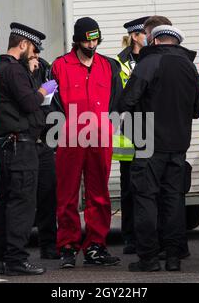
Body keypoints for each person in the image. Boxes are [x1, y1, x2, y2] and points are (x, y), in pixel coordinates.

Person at [119, 24, 199, 272]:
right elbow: (197, 110)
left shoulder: (149, 63)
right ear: (175, 43)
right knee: (174, 201)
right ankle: (174, 258)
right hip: (178, 146)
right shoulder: (189, 66)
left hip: (149, 145)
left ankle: (149, 259)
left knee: (146, 199)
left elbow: (127, 99)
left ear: (154, 41)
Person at [51, 17, 122, 268]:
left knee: (99, 192)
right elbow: (50, 101)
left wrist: (109, 126)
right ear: (77, 40)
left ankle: (95, 246)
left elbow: (117, 101)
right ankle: (68, 247)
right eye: (87, 39)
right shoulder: (59, 66)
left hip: (100, 137)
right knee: (67, 193)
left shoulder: (109, 66)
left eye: (95, 39)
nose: (92, 44)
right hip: (70, 137)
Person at [0, 23, 58, 276]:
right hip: (20, 146)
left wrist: (28, 76)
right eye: (33, 48)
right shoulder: (14, 72)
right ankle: (16, 259)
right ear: (23, 45)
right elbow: (30, 103)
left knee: (5, 202)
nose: (35, 54)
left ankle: (2, 258)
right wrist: (43, 89)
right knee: (22, 204)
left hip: (4, 144)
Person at [115, 16, 149, 255]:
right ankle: (130, 236)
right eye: (145, 33)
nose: (149, 36)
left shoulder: (153, 57)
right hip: (128, 130)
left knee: (149, 185)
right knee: (129, 187)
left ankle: (148, 233)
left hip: (150, 128)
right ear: (135, 36)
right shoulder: (119, 63)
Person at [25, 55, 59, 260]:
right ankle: (17, 249)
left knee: (48, 195)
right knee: (24, 197)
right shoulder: (16, 72)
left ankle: (48, 244)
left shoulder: (46, 68)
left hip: (45, 140)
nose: (36, 57)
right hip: (24, 140)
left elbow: (54, 103)